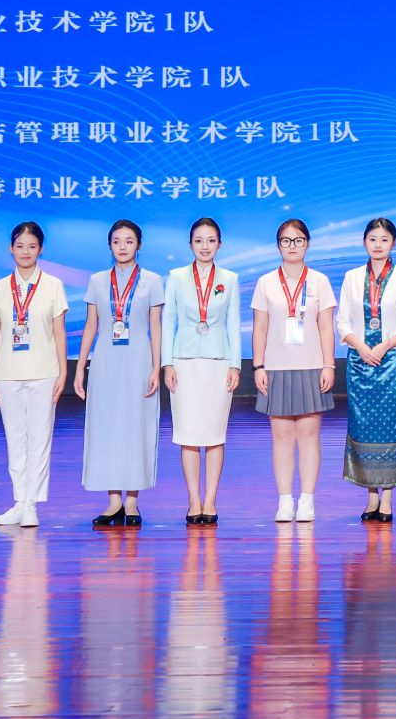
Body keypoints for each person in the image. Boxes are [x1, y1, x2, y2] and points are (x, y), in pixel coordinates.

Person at [75, 219, 164, 527]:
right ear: (109, 246)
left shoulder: (152, 281)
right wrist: (80, 367)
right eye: (116, 241)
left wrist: (156, 367)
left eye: (129, 241)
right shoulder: (98, 280)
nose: (122, 247)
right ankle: (114, 501)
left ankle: (133, 501)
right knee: (107, 427)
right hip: (105, 362)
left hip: (139, 361)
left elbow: (155, 327)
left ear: (139, 245)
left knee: (136, 425)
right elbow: (91, 325)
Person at [0, 221, 69, 528]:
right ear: (11, 248)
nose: (25, 252)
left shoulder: (53, 285)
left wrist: (63, 371)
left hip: (44, 371)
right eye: (20, 246)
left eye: (32, 246)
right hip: (7, 373)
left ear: (40, 249)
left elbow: (59, 333)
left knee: (40, 438)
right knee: (15, 439)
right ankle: (19, 500)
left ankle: (32, 502)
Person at [251, 218, 336, 523]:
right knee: (282, 437)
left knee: (309, 436)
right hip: (276, 367)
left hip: (312, 367)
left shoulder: (319, 281)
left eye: (298, 240)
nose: (292, 246)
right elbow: (260, 329)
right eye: (286, 241)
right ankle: (285, 501)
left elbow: (326, 327)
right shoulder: (266, 282)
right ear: (278, 246)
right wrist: (258, 365)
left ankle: (307, 500)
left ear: (307, 244)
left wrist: (329, 364)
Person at [337, 217, 396, 523]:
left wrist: (384, 346)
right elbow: (342, 322)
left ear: (393, 243)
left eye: (384, 239)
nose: (378, 245)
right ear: (364, 242)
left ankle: (387, 498)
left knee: (391, 426)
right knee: (363, 427)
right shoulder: (351, 277)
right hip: (360, 362)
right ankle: (371, 495)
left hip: (392, 361)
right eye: (373, 239)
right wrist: (362, 348)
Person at [163, 216, 240, 526]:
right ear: (190, 244)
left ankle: (210, 500)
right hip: (184, 361)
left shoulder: (230, 279)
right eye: (198, 240)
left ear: (219, 244)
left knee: (215, 434)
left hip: (218, 362)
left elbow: (233, 323)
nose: (204, 246)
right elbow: (168, 321)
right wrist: (167, 363)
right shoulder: (177, 277)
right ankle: (194, 499)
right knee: (188, 434)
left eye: (210, 240)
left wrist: (235, 364)